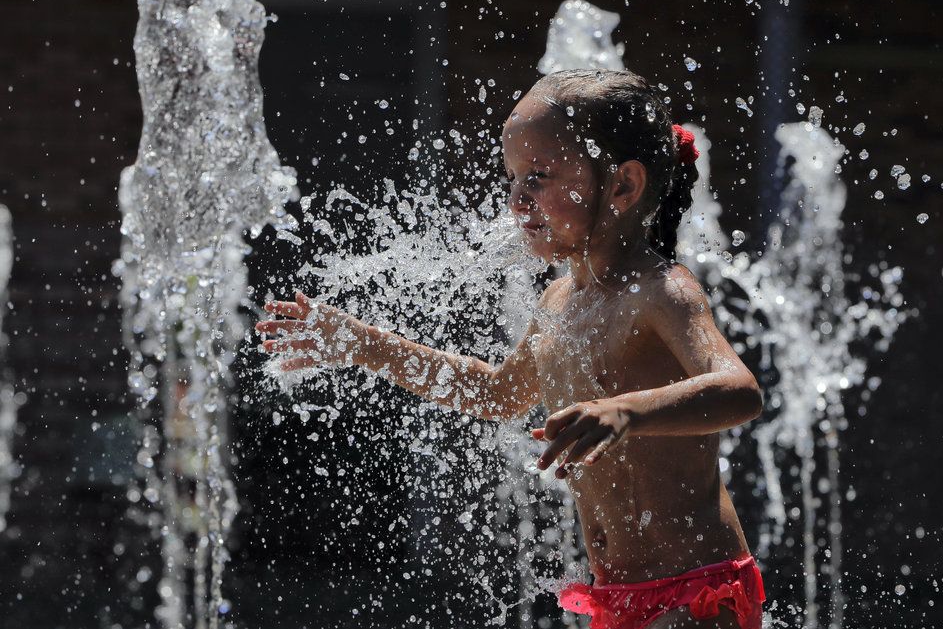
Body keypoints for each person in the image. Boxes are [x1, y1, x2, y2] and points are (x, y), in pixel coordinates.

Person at [256, 69, 766, 629]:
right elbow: (495, 391)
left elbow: (738, 391)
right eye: (514, 177)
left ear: (622, 185)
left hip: (696, 587)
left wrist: (623, 412)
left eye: (539, 177)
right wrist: (363, 344)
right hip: (618, 595)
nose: (518, 197)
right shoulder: (560, 300)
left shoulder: (660, 291)